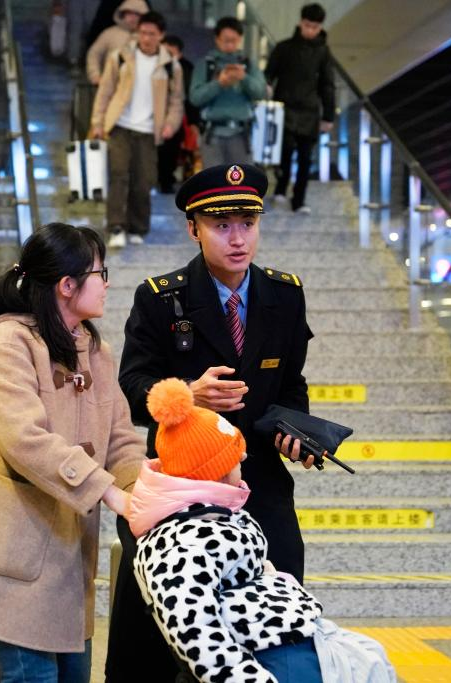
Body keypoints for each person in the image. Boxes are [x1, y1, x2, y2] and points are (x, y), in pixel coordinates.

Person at [107, 163, 315, 680]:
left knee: (280, 605)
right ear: (192, 228)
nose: (238, 238)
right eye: (221, 225)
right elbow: (131, 386)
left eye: (248, 223)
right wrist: (187, 394)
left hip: (258, 478)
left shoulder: (285, 294)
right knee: (156, 630)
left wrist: (295, 432)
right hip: (180, 487)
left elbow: (291, 383)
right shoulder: (160, 297)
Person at [0, 223, 146, 681]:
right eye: (100, 273)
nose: (107, 285)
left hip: (68, 562)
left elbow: (122, 439)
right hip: (11, 560)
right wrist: (107, 491)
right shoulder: (7, 343)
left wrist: (145, 492)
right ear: (67, 285)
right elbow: (25, 440)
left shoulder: (96, 350)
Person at [127, 379, 396, 683]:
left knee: (372, 659)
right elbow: (197, 634)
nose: (243, 461)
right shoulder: (183, 544)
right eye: (236, 459)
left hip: (287, 640)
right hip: (270, 659)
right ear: (216, 473)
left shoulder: (214, 518)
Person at [91, 11, 183, 249]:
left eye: (152, 34)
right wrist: (98, 122)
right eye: (143, 33)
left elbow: (176, 101)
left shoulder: (170, 65)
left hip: (149, 131)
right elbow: (105, 91)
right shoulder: (120, 56)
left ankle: (138, 226)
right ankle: (116, 226)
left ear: (161, 35)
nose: (146, 38)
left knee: (143, 181)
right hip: (120, 126)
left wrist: (170, 124)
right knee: (118, 176)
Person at [264, 3, 335, 214]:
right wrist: (266, 86)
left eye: (315, 27)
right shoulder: (284, 48)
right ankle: (280, 188)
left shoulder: (323, 52)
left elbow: (327, 85)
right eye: (307, 25)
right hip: (284, 108)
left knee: (305, 158)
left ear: (320, 27)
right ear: (300, 23)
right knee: (284, 152)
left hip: (310, 111)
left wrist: (328, 116)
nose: (310, 30)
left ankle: (299, 199)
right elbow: (268, 74)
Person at [189, 17, 266, 168]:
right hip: (212, 134)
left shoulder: (248, 64)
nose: (230, 45)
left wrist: (244, 78)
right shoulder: (206, 64)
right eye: (226, 40)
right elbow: (195, 98)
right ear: (217, 39)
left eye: (234, 40)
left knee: (241, 180)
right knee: (215, 180)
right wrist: (219, 84)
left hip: (241, 134)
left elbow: (260, 93)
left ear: (240, 39)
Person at [157, 35, 199, 194]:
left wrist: (193, 121)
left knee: (172, 150)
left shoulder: (185, 69)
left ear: (179, 53)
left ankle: (167, 180)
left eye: (170, 52)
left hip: (178, 117)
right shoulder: (153, 65)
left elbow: (188, 98)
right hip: (154, 115)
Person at [84, 0, 148, 85]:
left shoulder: (150, 36)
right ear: (122, 14)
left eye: (137, 14)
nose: (133, 18)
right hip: (111, 85)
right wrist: (95, 75)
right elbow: (94, 54)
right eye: (129, 13)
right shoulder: (109, 33)